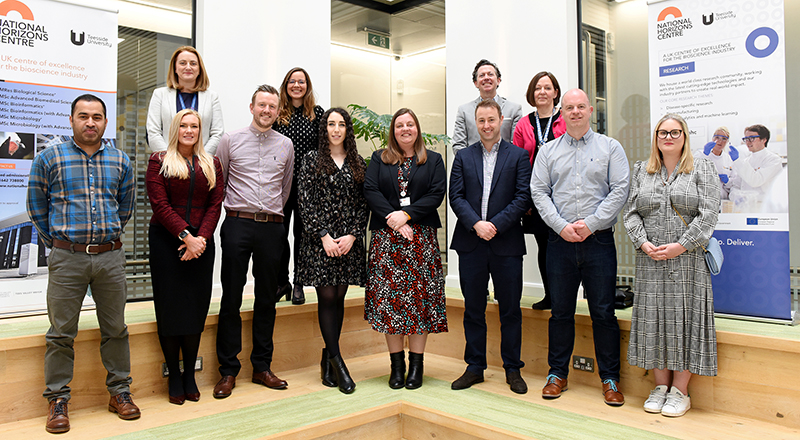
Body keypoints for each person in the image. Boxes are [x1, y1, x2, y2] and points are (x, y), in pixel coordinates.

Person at [27, 95, 140, 433]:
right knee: (61, 333)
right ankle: (57, 400)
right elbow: (36, 206)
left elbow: (125, 206)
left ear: (106, 122)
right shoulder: (49, 158)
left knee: (116, 329)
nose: (90, 122)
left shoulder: (120, 161)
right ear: (72, 120)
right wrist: (59, 245)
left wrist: (106, 240)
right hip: (67, 259)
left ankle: (119, 392)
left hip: (110, 258)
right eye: (83, 116)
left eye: (97, 117)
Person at [530, 89, 630, 406]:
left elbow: (620, 190)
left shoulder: (610, 147)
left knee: (603, 313)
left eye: (580, 107)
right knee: (560, 312)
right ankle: (557, 374)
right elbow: (538, 192)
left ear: (590, 111)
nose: (575, 112)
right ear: (562, 112)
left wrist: (591, 223)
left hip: (598, 241)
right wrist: (560, 225)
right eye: (569, 108)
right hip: (559, 242)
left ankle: (610, 379)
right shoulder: (547, 151)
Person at [624, 113, 719, 417]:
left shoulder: (701, 167)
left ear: (684, 137)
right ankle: (660, 387)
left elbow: (709, 214)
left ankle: (680, 391)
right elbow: (630, 213)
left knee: (685, 321)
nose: (668, 137)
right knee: (654, 321)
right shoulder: (642, 170)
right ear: (656, 138)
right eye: (662, 133)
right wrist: (642, 242)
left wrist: (682, 245)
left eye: (675, 132)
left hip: (688, 262)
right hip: (650, 260)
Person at [213, 85, 293, 399]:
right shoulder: (230, 141)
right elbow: (219, 184)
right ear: (252, 107)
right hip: (237, 224)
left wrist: (272, 216)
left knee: (266, 298)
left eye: (272, 107)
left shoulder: (286, 145)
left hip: (272, 228)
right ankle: (228, 371)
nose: (267, 111)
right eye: (262, 105)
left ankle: (262, 366)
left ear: (277, 111)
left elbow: (284, 189)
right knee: (231, 297)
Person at [449, 99, 531, 395]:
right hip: (471, 243)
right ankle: (474, 367)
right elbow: (455, 196)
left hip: (506, 243)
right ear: (475, 122)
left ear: (501, 121)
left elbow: (523, 197)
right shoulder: (463, 157)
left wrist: (494, 224)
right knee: (473, 309)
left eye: (491, 120)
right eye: (481, 121)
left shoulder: (519, 156)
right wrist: (476, 224)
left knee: (510, 310)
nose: (486, 126)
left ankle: (512, 368)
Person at [364, 108, 448, 391]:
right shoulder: (379, 158)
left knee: (419, 303)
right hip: (387, 240)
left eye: (410, 124)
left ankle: (417, 366)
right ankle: (396, 366)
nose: (405, 129)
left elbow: (436, 194)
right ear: (393, 131)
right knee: (390, 304)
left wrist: (407, 215)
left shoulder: (433, 160)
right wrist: (394, 219)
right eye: (400, 125)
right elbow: (371, 190)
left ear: (418, 128)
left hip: (420, 240)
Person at [145, 109, 224, 405]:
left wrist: (200, 239)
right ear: (175, 129)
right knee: (170, 309)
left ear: (200, 130)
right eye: (184, 126)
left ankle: (189, 373)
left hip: (202, 244)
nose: (189, 130)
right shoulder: (159, 161)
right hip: (168, 243)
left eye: (195, 126)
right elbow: (160, 204)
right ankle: (174, 377)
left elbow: (216, 204)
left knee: (194, 308)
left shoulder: (212, 163)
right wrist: (186, 237)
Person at [295, 108, 367, 394]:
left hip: (348, 241)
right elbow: (304, 201)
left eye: (341, 124)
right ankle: (339, 363)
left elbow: (364, 204)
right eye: (330, 124)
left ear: (347, 129)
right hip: (319, 241)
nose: (336, 129)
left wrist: (352, 235)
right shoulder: (311, 159)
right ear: (324, 129)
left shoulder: (358, 162)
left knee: (339, 297)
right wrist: (324, 235)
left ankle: (327, 359)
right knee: (326, 297)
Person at [512, 71, 566, 310]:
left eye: (547, 87)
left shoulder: (566, 118)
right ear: (532, 94)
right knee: (544, 246)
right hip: (537, 194)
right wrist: (525, 199)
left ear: (556, 92)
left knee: (564, 246)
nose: (542, 92)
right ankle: (550, 296)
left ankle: (566, 296)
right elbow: (518, 161)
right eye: (537, 88)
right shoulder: (524, 123)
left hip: (565, 193)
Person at [274, 67, 325, 305]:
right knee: (279, 234)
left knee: (303, 236)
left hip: (308, 186)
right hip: (281, 185)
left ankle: (299, 283)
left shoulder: (317, 113)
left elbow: (325, 150)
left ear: (307, 85)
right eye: (292, 81)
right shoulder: (276, 113)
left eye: (301, 81)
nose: (297, 85)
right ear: (286, 85)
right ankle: (281, 280)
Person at [147, 46, 224, 155]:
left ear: (199, 69)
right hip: (168, 164)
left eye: (193, 63)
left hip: (201, 165)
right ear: (175, 68)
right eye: (182, 63)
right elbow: (153, 132)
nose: (188, 67)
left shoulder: (211, 97)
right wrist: (170, 159)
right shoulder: (160, 95)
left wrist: (199, 160)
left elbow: (217, 134)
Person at [452, 59, 522, 156]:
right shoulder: (464, 111)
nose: (486, 78)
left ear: (498, 80)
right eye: (482, 75)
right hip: (473, 168)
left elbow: (516, 144)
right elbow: (458, 145)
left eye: (490, 74)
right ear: (476, 83)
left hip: (505, 167)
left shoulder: (514, 109)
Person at [725, 124, 782, 212]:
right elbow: (736, 185)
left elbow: (755, 181)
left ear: (764, 140)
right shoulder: (746, 161)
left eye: (752, 138)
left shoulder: (773, 160)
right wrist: (736, 196)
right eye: (746, 139)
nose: (748, 142)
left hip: (762, 208)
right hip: (743, 208)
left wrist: (738, 160)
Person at [699, 126, 734, 200]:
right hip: (704, 200)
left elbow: (734, 184)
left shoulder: (728, 159)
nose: (720, 141)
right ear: (713, 139)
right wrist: (704, 155)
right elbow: (694, 173)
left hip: (722, 201)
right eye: (717, 137)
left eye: (724, 138)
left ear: (727, 142)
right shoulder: (700, 154)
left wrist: (727, 181)